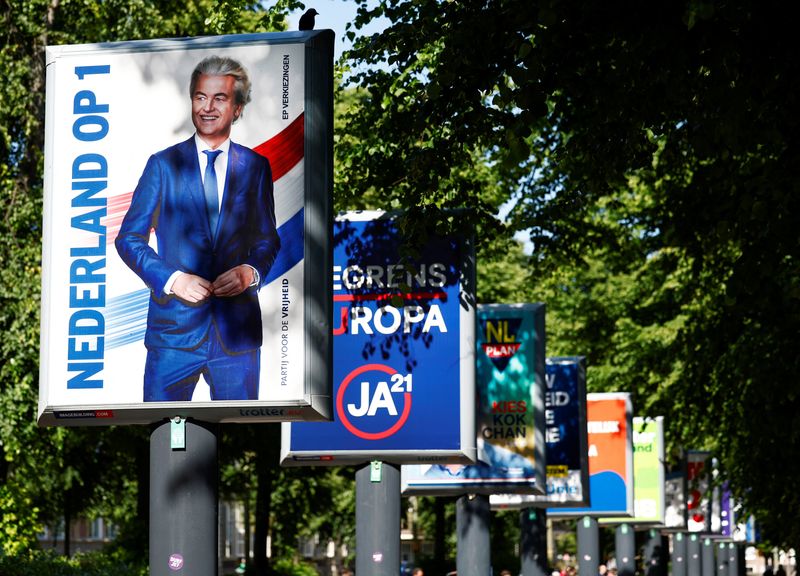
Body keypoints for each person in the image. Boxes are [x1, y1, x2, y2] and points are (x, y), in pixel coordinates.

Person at [116, 55, 280, 401]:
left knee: (242, 442)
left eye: (219, 98)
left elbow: (267, 240)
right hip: (173, 336)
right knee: (164, 438)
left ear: (237, 109)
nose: (208, 107)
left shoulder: (256, 167)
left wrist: (250, 272)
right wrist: (174, 279)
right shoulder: (163, 165)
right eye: (200, 97)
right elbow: (129, 239)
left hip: (237, 339)